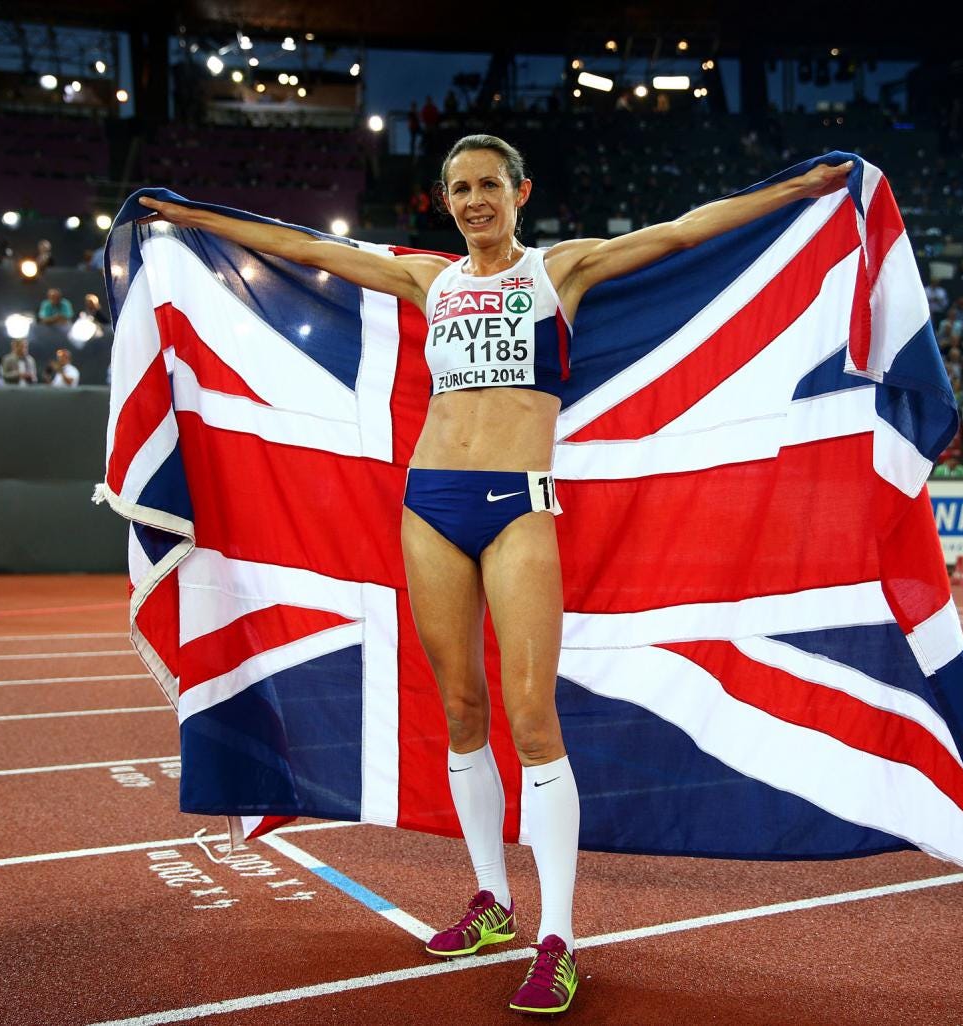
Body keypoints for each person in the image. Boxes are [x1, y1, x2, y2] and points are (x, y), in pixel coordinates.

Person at [139, 139, 853, 1017]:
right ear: (444, 201)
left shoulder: (560, 271)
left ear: (520, 193)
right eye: (460, 188)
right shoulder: (428, 281)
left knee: (532, 718)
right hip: (429, 504)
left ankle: (559, 940)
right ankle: (491, 902)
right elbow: (306, 249)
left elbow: (680, 233)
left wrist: (800, 188)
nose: (475, 200)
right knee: (461, 709)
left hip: (518, 507)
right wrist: (190, 217)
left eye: (489, 185)